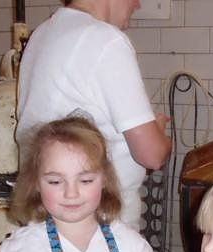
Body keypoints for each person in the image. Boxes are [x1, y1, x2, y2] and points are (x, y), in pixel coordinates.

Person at [16, 0, 171, 228]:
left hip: (46, 220)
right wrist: (159, 133)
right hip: (100, 227)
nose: (137, 4)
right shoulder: (105, 41)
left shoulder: (42, 34)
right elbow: (152, 155)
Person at [0, 116, 172, 252]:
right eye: (55, 182)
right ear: (35, 183)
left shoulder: (131, 245)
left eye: (85, 180)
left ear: (104, 179)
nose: (71, 193)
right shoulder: (21, 250)